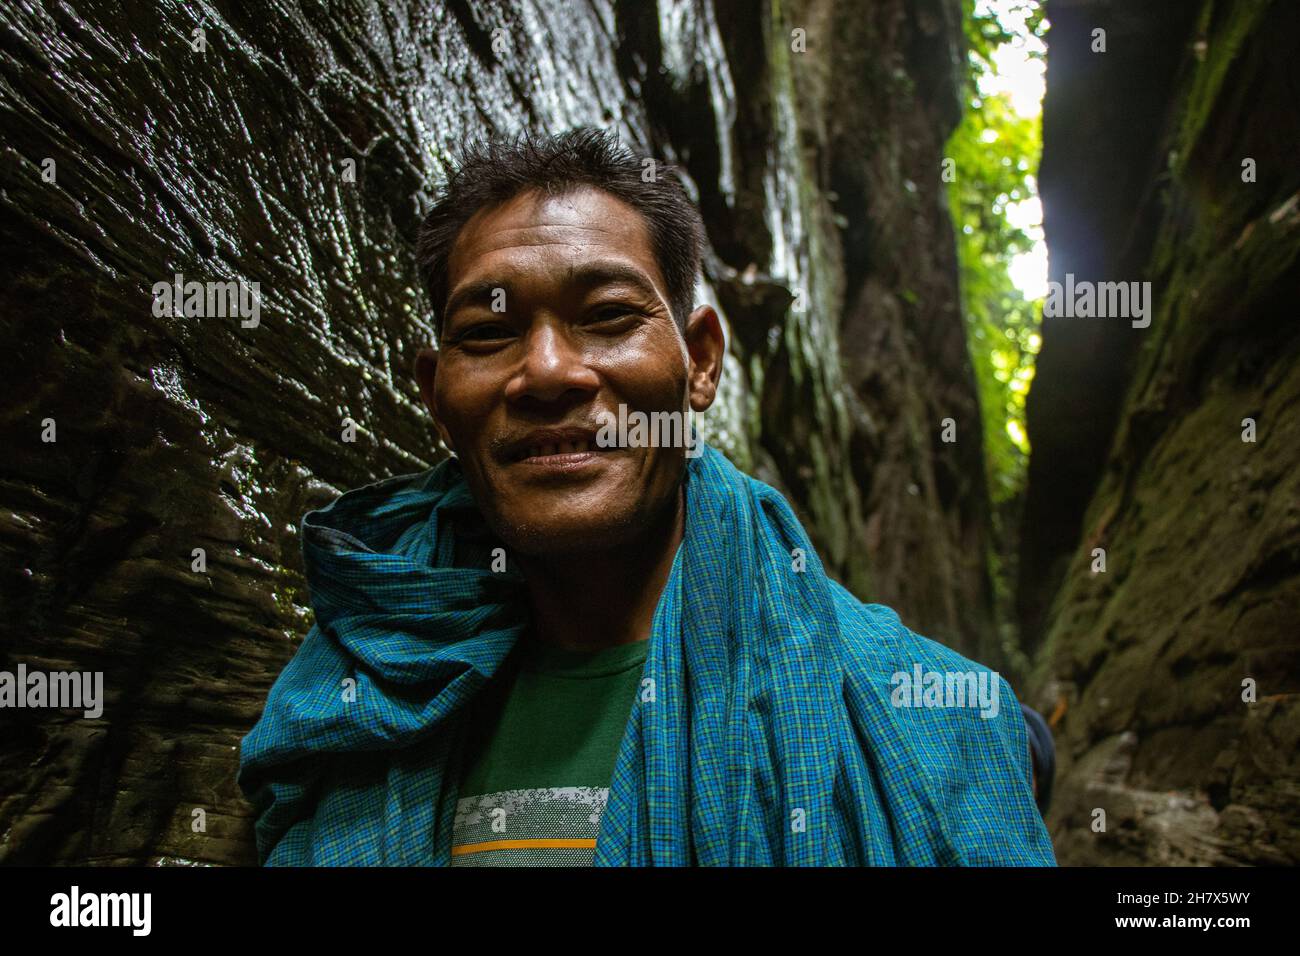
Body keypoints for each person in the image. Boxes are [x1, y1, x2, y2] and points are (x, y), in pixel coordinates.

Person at [238, 127, 1056, 866]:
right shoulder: (355, 697)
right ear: (436, 393)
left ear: (700, 361)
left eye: (606, 315)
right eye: (488, 333)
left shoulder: (930, 722)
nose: (550, 372)